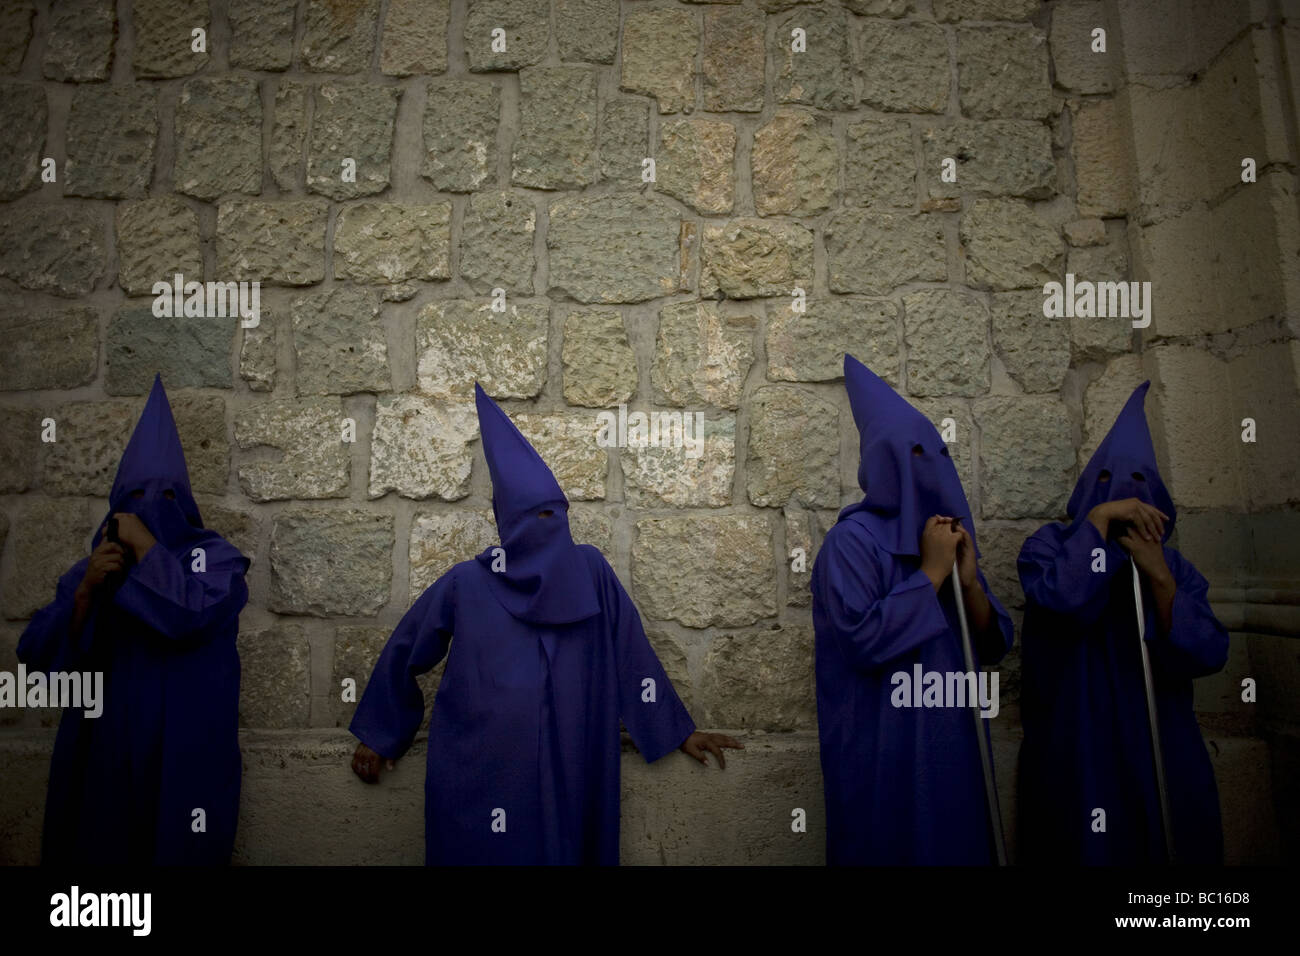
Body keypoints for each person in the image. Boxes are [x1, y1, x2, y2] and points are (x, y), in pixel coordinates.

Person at [349, 383, 741, 865]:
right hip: (484, 768)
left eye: (555, 514)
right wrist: (383, 733)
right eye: (536, 517)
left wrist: (677, 731)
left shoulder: (590, 572)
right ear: (509, 526)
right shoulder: (468, 583)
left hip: (569, 761)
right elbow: (408, 650)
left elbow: (629, 655)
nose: (548, 525)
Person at [18, 374, 250, 865]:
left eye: (166, 499)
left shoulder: (219, 562)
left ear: (184, 504)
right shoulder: (94, 572)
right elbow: (37, 666)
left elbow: (189, 615)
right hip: (105, 753)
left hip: (186, 755)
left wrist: (146, 548)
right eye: (137, 498)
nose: (150, 510)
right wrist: (83, 596)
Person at [811, 354, 1014, 865]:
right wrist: (930, 575)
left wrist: (968, 584)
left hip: (952, 744)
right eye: (914, 454)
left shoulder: (947, 539)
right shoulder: (849, 543)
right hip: (883, 747)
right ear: (883, 465)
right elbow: (860, 640)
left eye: (937, 453)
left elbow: (991, 647)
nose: (930, 467)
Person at [1017, 381, 1228, 864]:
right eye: (1110, 483)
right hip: (1080, 741)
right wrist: (1098, 525)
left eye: (1138, 483)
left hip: (1159, 740)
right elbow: (1061, 600)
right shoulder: (1050, 548)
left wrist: (1157, 577)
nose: (1127, 496)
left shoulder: (1175, 569)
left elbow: (1208, 652)